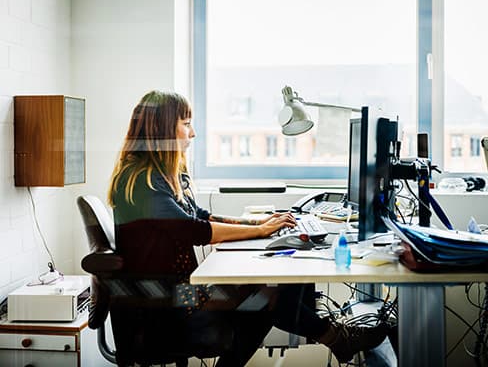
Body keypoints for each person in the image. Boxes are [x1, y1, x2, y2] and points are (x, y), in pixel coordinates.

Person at [107, 90, 387, 365]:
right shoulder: (142, 182)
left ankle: (339, 338)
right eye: (186, 124)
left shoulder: (161, 175)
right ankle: (339, 338)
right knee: (270, 296)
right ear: (162, 128)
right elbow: (196, 230)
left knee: (283, 284)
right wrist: (260, 231)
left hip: (178, 293)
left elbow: (201, 216)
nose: (192, 134)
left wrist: (256, 223)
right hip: (168, 302)